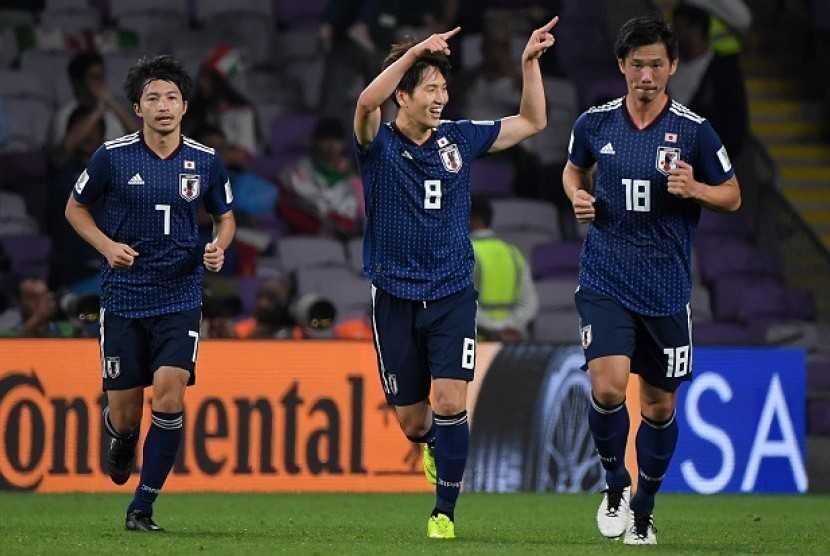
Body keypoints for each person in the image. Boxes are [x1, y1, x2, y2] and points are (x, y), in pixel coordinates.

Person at [353, 18, 557, 539]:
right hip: (395, 297)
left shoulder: (459, 139)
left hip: (450, 293)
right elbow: (364, 104)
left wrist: (529, 65)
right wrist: (417, 48)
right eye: (430, 88)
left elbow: (532, 121)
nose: (441, 96)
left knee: (450, 403)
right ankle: (429, 448)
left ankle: (444, 511)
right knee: (415, 423)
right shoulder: (376, 144)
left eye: (444, 86)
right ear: (404, 95)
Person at [563, 15, 741, 545]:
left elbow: (732, 194)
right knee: (608, 386)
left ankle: (643, 505)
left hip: (665, 290)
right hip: (605, 278)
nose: (646, 74)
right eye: (637, 64)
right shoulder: (594, 124)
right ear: (621, 66)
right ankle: (616, 482)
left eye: (656, 64)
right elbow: (574, 169)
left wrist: (697, 190)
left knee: (659, 406)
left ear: (673, 67)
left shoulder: (694, 131)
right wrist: (576, 193)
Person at [64, 55, 236, 532]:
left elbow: (225, 218)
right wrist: (107, 245)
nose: (163, 106)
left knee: (168, 392)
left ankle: (142, 506)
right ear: (137, 108)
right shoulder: (112, 156)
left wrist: (218, 247)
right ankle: (118, 433)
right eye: (153, 98)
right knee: (127, 411)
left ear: (184, 106)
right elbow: (75, 209)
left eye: (172, 98)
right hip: (122, 298)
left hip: (180, 295)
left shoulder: (204, 160)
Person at [669, 3, 749, 158]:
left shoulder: (723, 73)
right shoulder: (668, 69)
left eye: (679, 29)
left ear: (696, 30)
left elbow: (735, 125)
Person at [277, 117, 364, 238]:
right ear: (315, 141)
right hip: (310, 233)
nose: (332, 146)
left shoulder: (352, 176)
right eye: (326, 140)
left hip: (348, 236)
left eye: (337, 140)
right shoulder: (300, 169)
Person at [469, 194, 539, 342]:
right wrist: (510, 326)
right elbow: (530, 303)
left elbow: (460, 304)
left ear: (475, 219)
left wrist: (495, 328)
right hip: (509, 343)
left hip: (476, 343)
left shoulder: (462, 254)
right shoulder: (513, 253)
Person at [48, 52, 139, 159]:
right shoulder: (64, 114)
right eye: (93, 77)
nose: (100, 82)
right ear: (78, 83)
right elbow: (61, 155)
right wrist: (98, 111)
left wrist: (112, 103)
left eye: (101, 77)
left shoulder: (113, 114)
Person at [182, 45, 260, 162]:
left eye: (208, 78)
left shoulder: (242, 113)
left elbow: (244, 156)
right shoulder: (198, 111)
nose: (201, 83)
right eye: (201, 76)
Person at [0, 275, 73, 337]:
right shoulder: (6, 334)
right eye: (33, 297)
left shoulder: (68, 329)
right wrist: (38, 318)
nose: (42, 301)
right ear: (17, 303)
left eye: (44, 294)